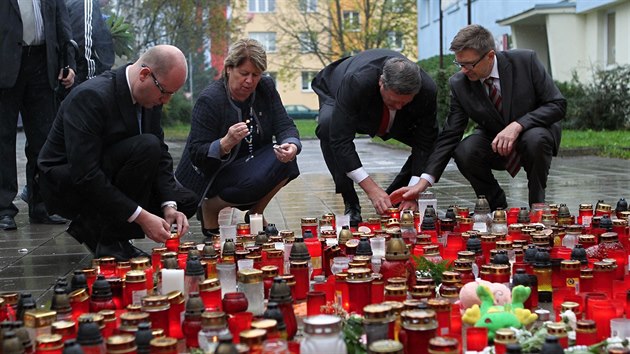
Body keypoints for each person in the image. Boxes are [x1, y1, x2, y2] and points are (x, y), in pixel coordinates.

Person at [38, 45, 198, 260]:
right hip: (69, 182)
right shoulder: (91, 97)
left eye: (172, 94)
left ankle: (98, 228)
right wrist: (141, 217)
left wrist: (169, 206)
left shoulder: (151, 97)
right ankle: (111, 241)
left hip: (113, 171)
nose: (166, 101)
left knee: (185, 201)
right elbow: (86, 174)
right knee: (146, 147)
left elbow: (161, 154)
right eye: (165, 92)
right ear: (144, 75)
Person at [391, 24, 566, 211]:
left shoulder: (526, 61)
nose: (464, 70)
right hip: (494, 141)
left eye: (469, 64)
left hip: (533, 135)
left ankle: (537, 205)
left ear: (490, 56)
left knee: (535, 139)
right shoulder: (459, 84)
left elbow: (557, 105)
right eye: (459, 64)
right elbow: (450, 135)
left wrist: (518, 125)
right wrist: (423, 182)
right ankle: (494, 203)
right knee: (464, 150)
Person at [175, 38, 301, 236]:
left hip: (249, 162)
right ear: (228, 69)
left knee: (288, 161)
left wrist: (290, 145)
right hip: (213, 172)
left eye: (256, 75)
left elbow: (284, 125)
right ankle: (211, 207)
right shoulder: (210, 99)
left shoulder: (265, 88)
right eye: (244, 74)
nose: (250, 81)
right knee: (251, 183)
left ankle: (255, 213)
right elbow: (196, 152)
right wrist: (225, 143)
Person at [312, 49, 438, 226]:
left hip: (380, 106)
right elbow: (341, 141)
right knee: (328, 127)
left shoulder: (427, 89)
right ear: (381, 83)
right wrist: (371, 189)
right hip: (338, 90)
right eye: (394, 102)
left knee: (438, 142)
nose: (399, 107)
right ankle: (351, 203)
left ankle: (397, 194)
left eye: (405, 102)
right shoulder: (357, 81)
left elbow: (426, 141)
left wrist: (414, 191)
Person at [0, 0, 76, 231]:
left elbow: (63, 25)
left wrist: (69, 63)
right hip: (5, 65)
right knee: (3, 141)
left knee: (44, 140)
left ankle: (42, 205)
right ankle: (4, 209)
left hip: (43, 65)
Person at [65, 0, 115, 84]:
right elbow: (84, 45)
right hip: (80, 78)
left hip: (74, 75)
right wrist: (91, 79)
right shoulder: (86, 4)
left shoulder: (85, 4)